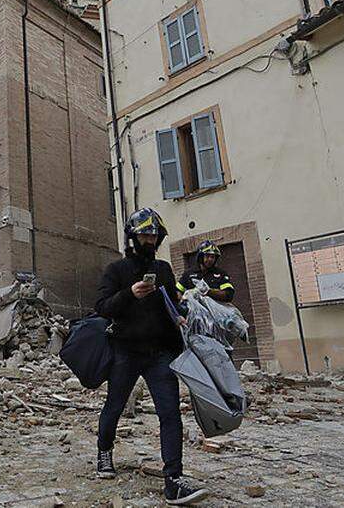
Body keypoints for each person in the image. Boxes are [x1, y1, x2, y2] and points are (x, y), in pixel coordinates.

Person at [94, 208, 209, 505]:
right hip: (126, 352)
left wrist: (183, 314)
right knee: (114, 406)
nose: (149, 239)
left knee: (169, 414)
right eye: (144, 234)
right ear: (133, 237)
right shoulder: (116, 270)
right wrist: (130, 293)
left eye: (153, 234)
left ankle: (174, 480)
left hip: (161, 353)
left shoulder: (165, 269)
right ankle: (104, 452)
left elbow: (173, 303)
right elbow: (102, 307)